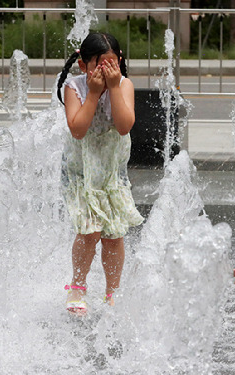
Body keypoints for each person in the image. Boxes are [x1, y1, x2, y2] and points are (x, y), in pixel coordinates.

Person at [57, 32, 144, 315]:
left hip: (111, 175)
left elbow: (124, 126)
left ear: (119, 62)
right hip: (82, 174)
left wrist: (115, 87)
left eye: (112, 63)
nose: (106, 71)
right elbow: (78, 129)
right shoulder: (75, 87)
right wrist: (93, 94)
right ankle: (77, 286)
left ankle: (112, 292)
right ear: (84, 66)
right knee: (89, 231)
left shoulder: (124, 85)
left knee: (114, 235)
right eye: (99, 65)